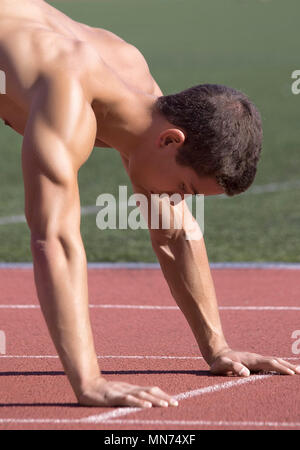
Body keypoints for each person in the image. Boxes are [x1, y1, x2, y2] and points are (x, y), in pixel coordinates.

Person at [0, 0, 299, 409]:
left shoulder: (135, 80)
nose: (176, 200)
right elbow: (55, 239)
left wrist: (218, 349)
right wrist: (89, 381)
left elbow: (176, 232)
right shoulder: (66, 92)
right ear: (171, 140)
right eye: (184, 188)